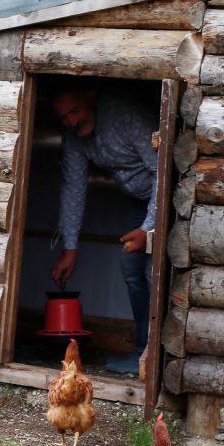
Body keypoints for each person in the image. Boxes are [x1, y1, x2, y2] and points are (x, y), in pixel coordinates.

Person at [49, 80, 158, 375]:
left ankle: (156, 358)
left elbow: (161, 168)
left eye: (75, 111)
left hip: (170, 196)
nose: (71, 121)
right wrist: (70, 249)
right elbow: (73, 188)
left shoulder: (127, 115)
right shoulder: (75, 137)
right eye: (63, 117)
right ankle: (142, 353)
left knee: (152, 273)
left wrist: (149, 227)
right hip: (139, 200)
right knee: (132, 271)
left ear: (91, 99)